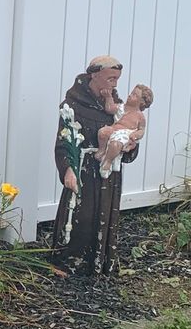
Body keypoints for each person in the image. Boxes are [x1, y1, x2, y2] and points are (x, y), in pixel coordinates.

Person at [52, 55, 140, 274]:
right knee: (80, 215)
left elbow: (127, 132)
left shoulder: (117, 108)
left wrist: (130, 145)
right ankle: (70, 260)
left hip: (108, 174)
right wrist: (68, 169)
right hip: (84, 169)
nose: (115, 84)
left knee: (105, 215)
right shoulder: (73, 105)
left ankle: (99, 260)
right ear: (94, 75)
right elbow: (65, 140)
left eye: (117, 79)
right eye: (110, 78)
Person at [97, 83, 154, 178]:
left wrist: (135, 135)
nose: (130, 95)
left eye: (135, 95)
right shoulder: (121, 107)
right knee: (103, 133)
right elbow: (109, 108)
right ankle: (102, 150)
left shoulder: (140, 116)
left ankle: (108, 161)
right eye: (131, 93)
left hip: (124, 135)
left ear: (142, 102)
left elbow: (141, 130)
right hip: (114, 129)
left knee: (115, 145)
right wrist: (108, 97)